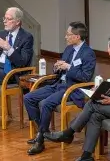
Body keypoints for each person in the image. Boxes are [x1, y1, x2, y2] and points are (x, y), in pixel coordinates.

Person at [24, 22, 96, 155]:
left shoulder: (88, 53)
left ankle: (40, 140)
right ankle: (43, 132)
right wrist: (57, 67)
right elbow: (60, 69)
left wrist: (68, 67)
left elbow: (85, 77)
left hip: (72, 88)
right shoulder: (69, 49)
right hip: (58, 84)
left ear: (77, 36)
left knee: (46, 103)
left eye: (68, 34)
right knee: (28, 98)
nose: (65, 37)